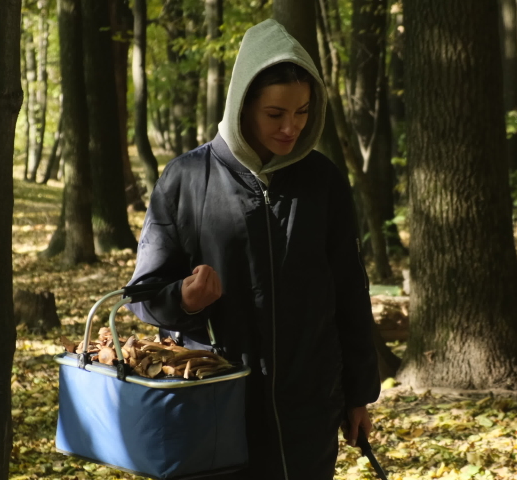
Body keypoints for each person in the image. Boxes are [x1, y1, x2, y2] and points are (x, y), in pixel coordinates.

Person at [126, 18, 380, 480]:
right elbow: (143, 296)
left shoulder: (322, 181)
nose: (292, 128)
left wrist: (358, 394)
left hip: (310, 408)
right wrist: (181, 299)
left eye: (302, 112)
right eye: (275, 114)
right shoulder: (185, 178)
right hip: (215, 406)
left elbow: (348, 290)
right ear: (243, 105)